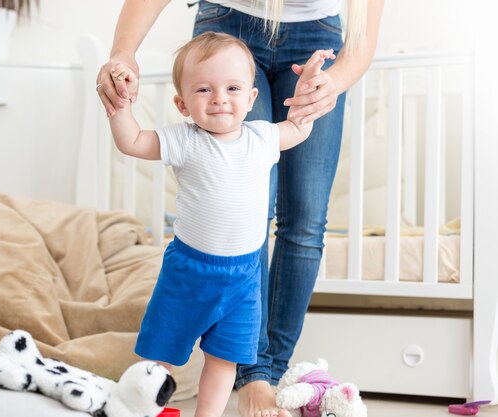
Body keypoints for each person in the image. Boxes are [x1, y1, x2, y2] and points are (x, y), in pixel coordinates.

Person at [96, 2, 383, 417]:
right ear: (181, 104)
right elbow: (134, 142)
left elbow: (299, 127)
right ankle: (146, 403)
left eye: (232, 91)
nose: (218, 101)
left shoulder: (262, 137)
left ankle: (262, 377)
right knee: (161, 352)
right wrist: (120, 93)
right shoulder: (185, 139)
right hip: (190, 266)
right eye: (204, 92)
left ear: (250, 99)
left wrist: (316, 89)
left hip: (242, 276)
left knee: (302, 227)